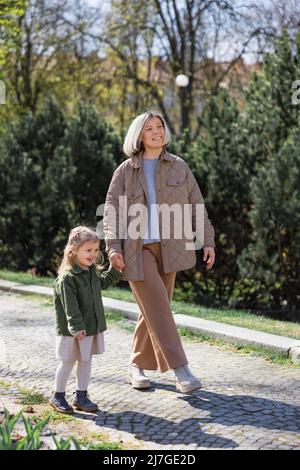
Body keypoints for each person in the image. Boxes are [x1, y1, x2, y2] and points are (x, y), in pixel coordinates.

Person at [103, 111, 215, 393]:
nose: (156, 132)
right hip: (136, 249)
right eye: (149, 128)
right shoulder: (126, 171)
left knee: (153, 309)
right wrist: (113, 247)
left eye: (160, 127)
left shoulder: (179, 166)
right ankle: (181, 370)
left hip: (171, 250)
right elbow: (111, 213)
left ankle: (135, 365)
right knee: (160, 309)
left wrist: (208, 241)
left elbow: (196, 206)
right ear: (139, 135)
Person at [50, 225, 123, 414]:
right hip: (72, 331)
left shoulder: (91, 272)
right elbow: (70, 307)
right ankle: (57, 395)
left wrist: (115, 269)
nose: (93, 254)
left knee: (86, 361)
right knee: (67, 362)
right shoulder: (67, 278)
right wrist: (76, 327)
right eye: (88, 250)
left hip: (90, 328)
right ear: (74, 251)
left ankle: (81, 395)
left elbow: (103, 283)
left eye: (96, 250)